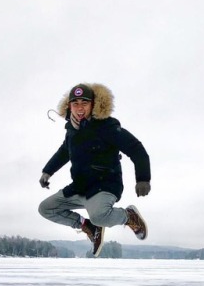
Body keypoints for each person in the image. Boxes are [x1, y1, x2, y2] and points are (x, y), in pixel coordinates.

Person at [38, 83, 151, 257]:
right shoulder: (71, 131)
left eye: (84, 103)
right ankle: (88, 226)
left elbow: (135, 148)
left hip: (104, 185)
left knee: (99, 216)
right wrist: (47, 171)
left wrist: (143, 178)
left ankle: (129, 216)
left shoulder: (107, 126)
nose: (80, 108)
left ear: (93, 104)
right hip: (80, 186)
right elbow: (63, 152)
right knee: (46, 208)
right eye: (75, 104)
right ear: (70, 106)